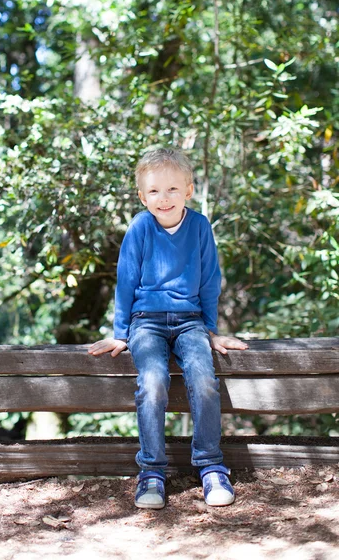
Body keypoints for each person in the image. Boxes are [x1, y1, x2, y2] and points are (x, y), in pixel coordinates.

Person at [88, 148, 248, 510]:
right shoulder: (140, 227)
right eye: (155, 191)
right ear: (143, 196)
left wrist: (210, 330)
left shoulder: (200, 226)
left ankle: (210, 467)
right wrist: (120, 332)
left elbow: (210, 280)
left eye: (173, 189)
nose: (164, 198)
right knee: (154, 380)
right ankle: (152, 472)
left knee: (205, 379)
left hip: (190, 321)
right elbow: (126, 280)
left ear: (188, 191)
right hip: (146, 322)